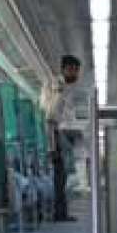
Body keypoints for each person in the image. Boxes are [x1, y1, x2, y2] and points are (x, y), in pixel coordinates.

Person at [45, 54, 85, 222]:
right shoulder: (54, 86)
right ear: (63, 69)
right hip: (55, 132)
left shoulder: (70, 87)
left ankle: (61, 211)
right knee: (60, 175)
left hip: (66, 133)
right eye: (71, 70)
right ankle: (59, 213)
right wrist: (59, 93)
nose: (75, 73)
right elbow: (50, 113)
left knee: (63, 175)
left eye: (76, 70)